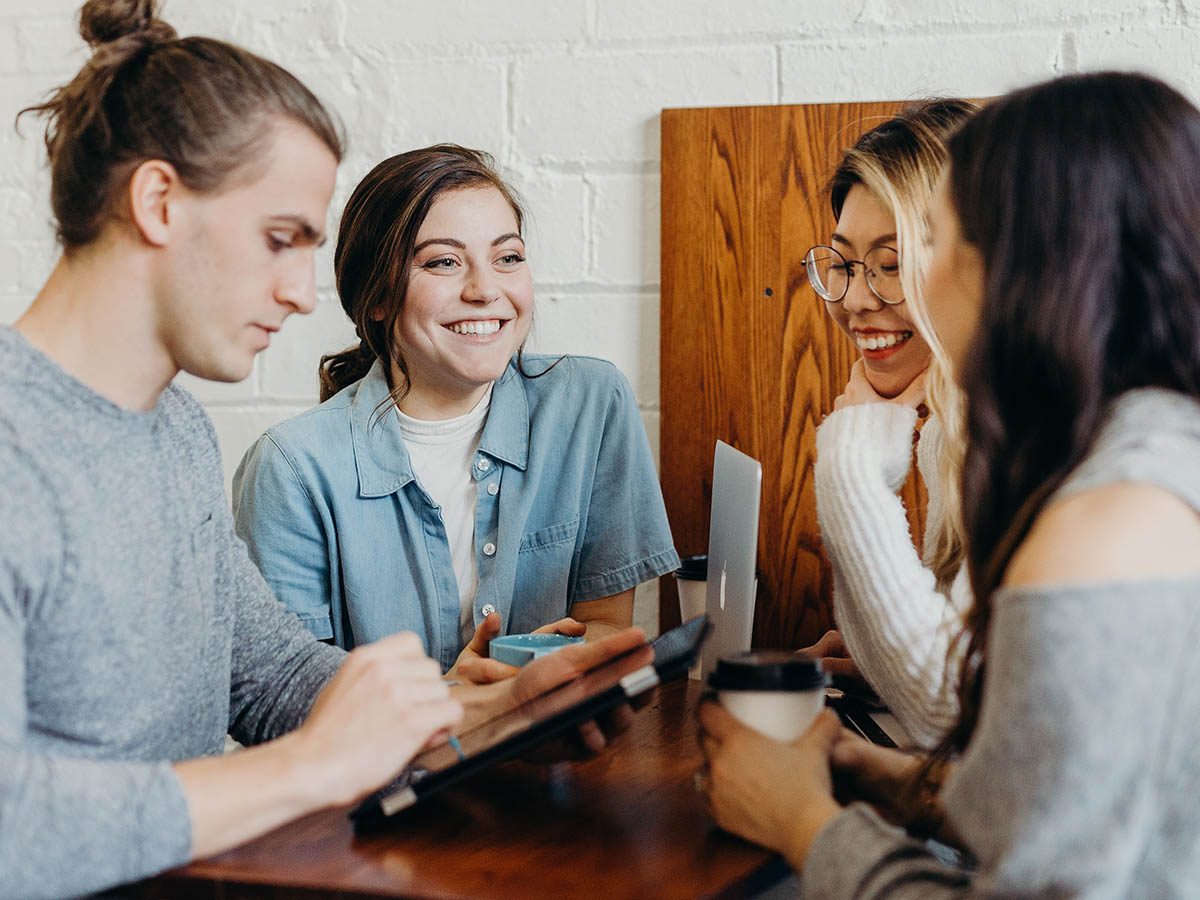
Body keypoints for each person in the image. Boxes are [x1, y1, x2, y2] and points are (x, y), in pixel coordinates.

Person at [0, 4, 645, 897]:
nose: (307, 295)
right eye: (280, 240)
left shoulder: (173, 433)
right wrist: (315, 767)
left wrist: (484, 715)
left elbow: (272, 677)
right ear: (157, 203)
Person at [700, 71, 1200, 897]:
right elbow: (1076, 807)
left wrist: (802, 822)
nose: (894, 292)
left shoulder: (1105, 522)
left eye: (932, 242)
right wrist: (904, 786)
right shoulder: (1141, 452)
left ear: (1024, 264)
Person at [232, 144, 679, 680]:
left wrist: (542, 669)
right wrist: (458, 700)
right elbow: (288, 700)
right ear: (375, 296)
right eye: (443, 262)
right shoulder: (291, 469)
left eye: (507, 257)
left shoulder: (590, 403)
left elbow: (606, 625)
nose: (485, 290)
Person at [800, 99, 977, 747]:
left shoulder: (1030, 436)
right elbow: (958, 683)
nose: (853, 299)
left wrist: (850, 464)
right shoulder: (951, 429)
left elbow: (948, 714)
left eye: (892, 263)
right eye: (843, 263)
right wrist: (878, 659)